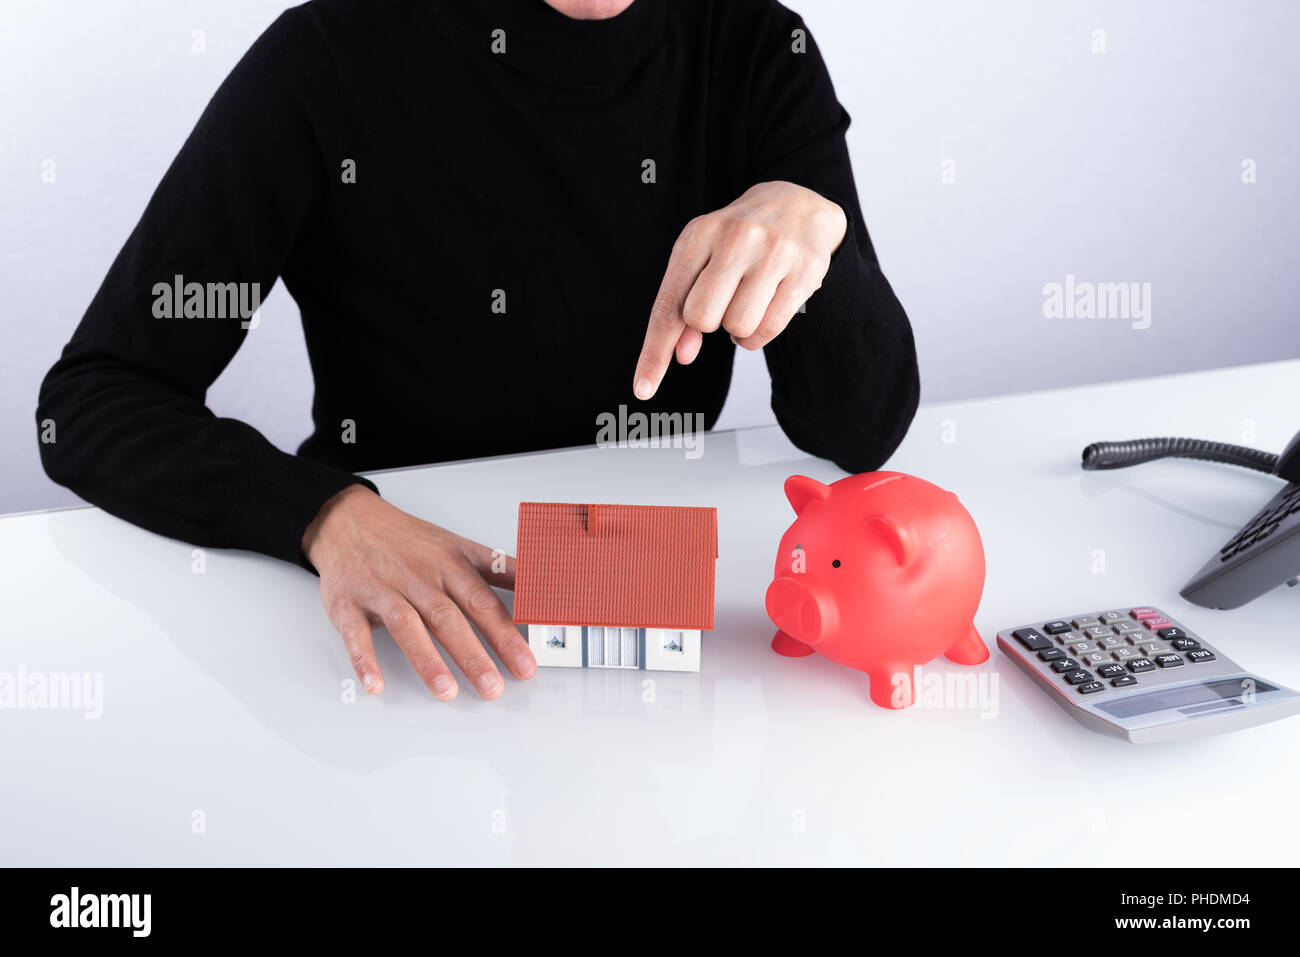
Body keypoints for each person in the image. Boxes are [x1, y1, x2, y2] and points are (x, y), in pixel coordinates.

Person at [37, 0, 920, 701]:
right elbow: (88, 402)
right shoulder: (328, 56)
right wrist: (323, 515)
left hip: (672, 644)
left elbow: (858, 428)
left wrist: (819, 232)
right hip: (398, 629)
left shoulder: (758, 47)